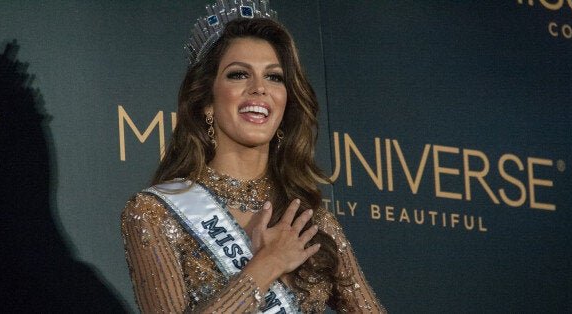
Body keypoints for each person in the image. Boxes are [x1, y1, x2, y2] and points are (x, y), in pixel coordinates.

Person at [121, 1, 386, 312]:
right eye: (238, 75)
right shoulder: (154, 212)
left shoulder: (312, 223)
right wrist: (267, 265)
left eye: (274, 77)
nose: (259, 88)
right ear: (206, 100)